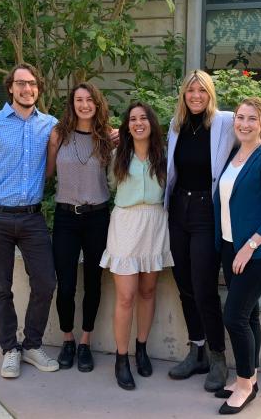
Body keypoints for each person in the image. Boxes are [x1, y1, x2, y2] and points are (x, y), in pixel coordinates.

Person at [165, 70, 261, 392]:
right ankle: (197, 350)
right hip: (178, 211)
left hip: (207, 212)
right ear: (184, 94)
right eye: (190, 91)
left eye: (201, 91)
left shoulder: (224, 121)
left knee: (203, 285)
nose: (195, 96)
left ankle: (218, 357)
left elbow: (258, 137)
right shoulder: (176, 125)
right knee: (184, 286)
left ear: (210, 94)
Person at [0, 63, 59, 378]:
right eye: (20, 84)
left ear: (38, 88)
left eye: (31, 84)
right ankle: (9, 349)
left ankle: (31, 345)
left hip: (32, 219)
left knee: (46, 282)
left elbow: (84, 138)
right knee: (1, 288)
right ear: (10, 88)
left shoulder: (50, 125)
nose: (26, 89)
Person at [213, 97, 261, 414]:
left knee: (234, 317)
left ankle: (245, 385)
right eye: (240, 117)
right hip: (230, 247)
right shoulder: (233, 153)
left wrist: (250, 245)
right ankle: (251, 377)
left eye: (251, 119)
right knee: (249, 316)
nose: (244, 123)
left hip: (258, 254)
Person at [100, 102, 174, 390]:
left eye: (143, 118)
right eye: (133, 119)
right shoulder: (118, 154)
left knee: (148, 290)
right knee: (126, 296)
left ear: (151, 123)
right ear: (126, 125)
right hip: (126, 224)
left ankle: (141, 348)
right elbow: (108, 186)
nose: (138, 123)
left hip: (155, 222)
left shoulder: (164, 155)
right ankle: (121, 358)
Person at [46, 82, 112, 372]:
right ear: (72, 104)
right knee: (66, 285)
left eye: (89, 100)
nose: (84, 105)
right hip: (66, 218)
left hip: (97, 217)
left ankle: (85, 341)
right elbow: (48, 173)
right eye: (78, 100)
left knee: (94, 282)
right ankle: (68, 339)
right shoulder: (59, 135)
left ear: (97, 104)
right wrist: (50, 146)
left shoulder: (107, 138)